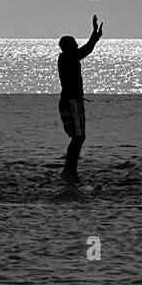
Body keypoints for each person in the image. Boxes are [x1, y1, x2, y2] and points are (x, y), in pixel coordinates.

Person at [56, 15, 103, 184]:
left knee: (78, 137)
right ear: (68, 47)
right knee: (78, 137)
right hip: (71, 102)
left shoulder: (67, 57)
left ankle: (69, 170)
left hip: (73, 101)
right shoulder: (68, 57)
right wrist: (94, 35)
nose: (76, 46)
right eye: (74, 44)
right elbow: (86, 50)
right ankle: (69, 171)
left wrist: (94, 36)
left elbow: (85, 50)